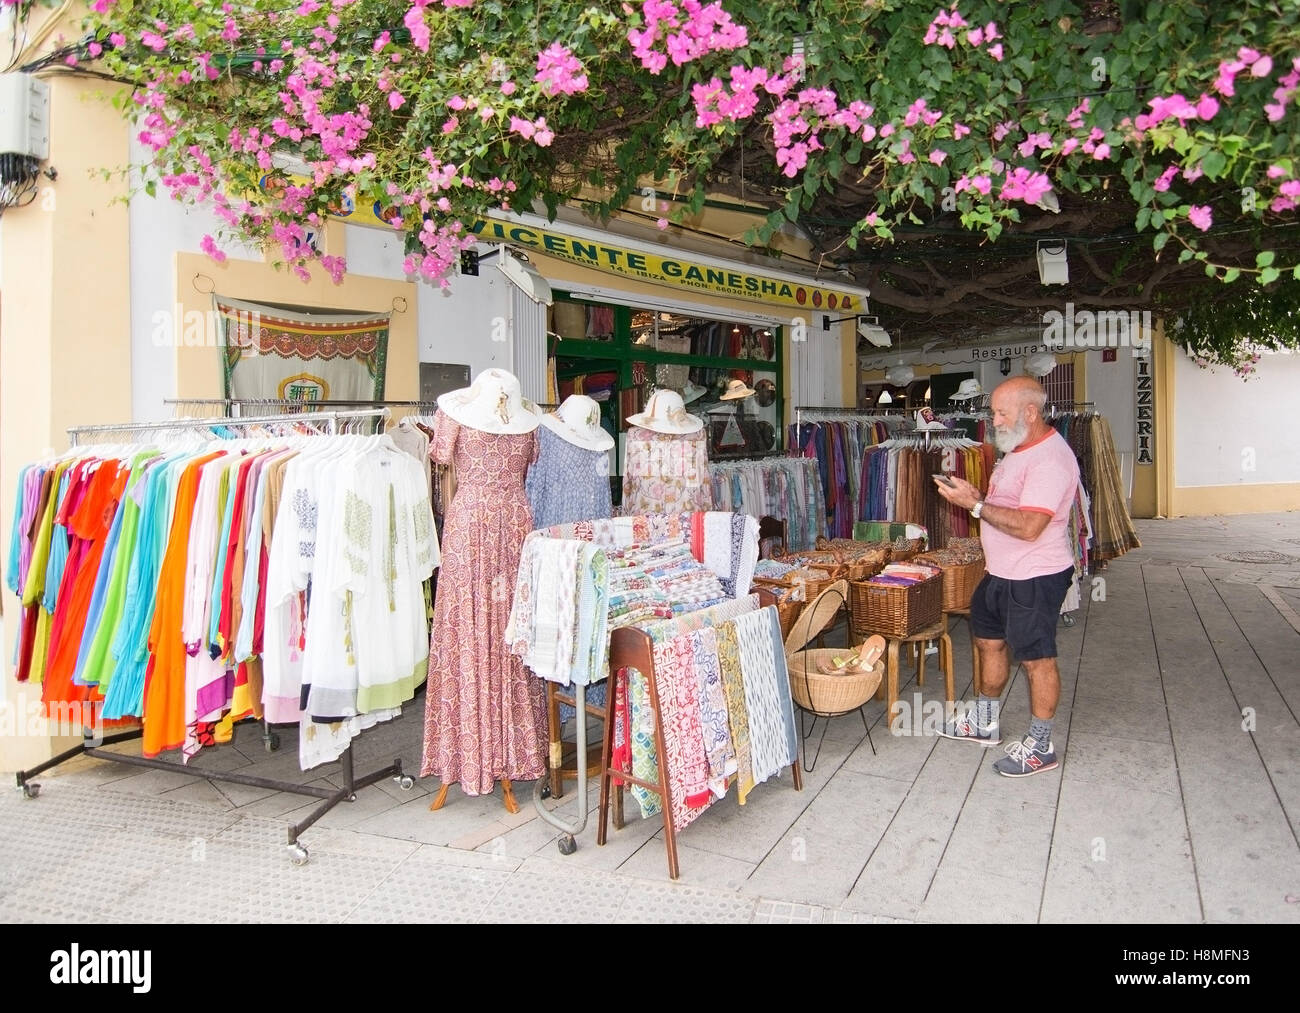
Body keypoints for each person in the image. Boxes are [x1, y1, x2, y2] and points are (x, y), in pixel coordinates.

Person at [931, 375, 1080, 777]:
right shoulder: (1018, 447)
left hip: (1035, 575)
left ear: (1029, 412)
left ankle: (1041, 745)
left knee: (1037, 659)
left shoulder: (1050, 459)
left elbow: (1031, 526)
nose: (993, 420)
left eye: (1000, 412)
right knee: (988, 644)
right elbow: (1006, 503)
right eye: (993, 412)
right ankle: (984, 722)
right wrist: (975, 495)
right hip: (1000, 572)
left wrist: (976, 504)